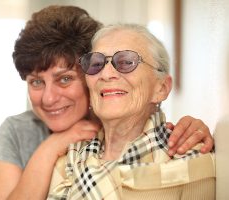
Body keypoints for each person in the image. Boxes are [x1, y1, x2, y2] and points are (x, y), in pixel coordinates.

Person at [0, 5, 214, 200]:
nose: (49, 98)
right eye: (36, 82)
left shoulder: (167, 147)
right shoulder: (22, 132)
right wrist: (52, 146)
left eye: (65, 79)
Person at [47, 23, 216, 199]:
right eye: (97, 63)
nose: (106, 74)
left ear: (161, 88)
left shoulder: (193, 159)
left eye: (127, 62)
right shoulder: (68, 160)